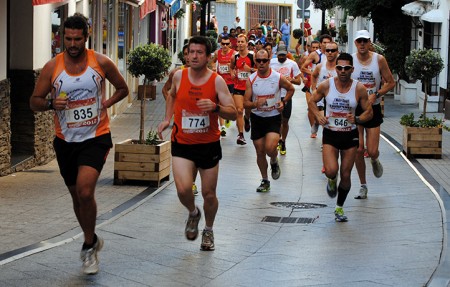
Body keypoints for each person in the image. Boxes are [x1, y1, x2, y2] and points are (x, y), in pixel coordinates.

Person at [29, 13, 129, 274]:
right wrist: (51, 104)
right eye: (68, 38)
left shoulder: (101, 62)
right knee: (77, 196)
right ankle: (93, 239)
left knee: (86, 192)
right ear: (63, 36)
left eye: (77, 39)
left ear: (86, 37)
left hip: (96, 136)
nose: (72, 44)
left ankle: (87, 246)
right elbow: (34, 101)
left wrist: (107, 103)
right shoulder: (53, 67)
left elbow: (123, 88)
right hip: (65, 141)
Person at [157, 36, 237, 251]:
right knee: (183, 190)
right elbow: (171, 96)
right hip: (182, 142)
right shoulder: (178, 76)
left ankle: (208, 230)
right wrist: (167, 118)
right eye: (191, 52)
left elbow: (234, 112)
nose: (193, 56)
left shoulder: (217, 81)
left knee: (208, 194)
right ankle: (193, 213)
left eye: (199, 52)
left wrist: (215, 107)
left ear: (209, 57)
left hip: (208, 144)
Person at [308, 53, 373, 222]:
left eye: (346, 68)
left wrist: (357, 119)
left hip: (350, 135)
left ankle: (339, 208)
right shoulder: (326, 85)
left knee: (345, 175)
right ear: (335, 68)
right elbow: (312, 101)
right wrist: (318, 115)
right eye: (339, 68)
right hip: (330, 133)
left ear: (352, 69)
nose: (342, 71)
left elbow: (369, 112)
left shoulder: (359, 88)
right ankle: (331, 179)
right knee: (331, 170)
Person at [351, 30, 395, 200]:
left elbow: (391, 82)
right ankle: (363, 185)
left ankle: (375, 160)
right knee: (359, 149)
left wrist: (376, 94)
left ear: (370, 42)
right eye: (359, 41)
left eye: (365, 41)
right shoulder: (351, 60)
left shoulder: (379, 59)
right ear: (355, 43)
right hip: (355, 108)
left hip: (373, 108)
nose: (362, 44)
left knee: (372, 150)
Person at [244, 49, 295, 192]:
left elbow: (291, 89)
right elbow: (245, 103)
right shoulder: (251, 79)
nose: (261, 63)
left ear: (269, 60)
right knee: (260, 151)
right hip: (257, 118)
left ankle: (273, 160)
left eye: (264, 60)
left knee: (270, 148)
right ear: (255, 62)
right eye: (258, 61)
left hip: (273, 117)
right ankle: (265, 180)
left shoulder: (277, 77)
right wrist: (255, 104)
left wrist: (283, 102)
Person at [270, 44, 301, 155]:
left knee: (285, 121)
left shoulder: (292, 64)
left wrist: (290, 79)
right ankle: (277, 140)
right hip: (274, 96)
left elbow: (299, 81)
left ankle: (283, 141)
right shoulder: (271, 63)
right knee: (276, 120)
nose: (281, 57)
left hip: (287, 95)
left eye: (283, 55)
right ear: (276, 54)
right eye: (279, 55)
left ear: (287, 53)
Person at [230, 34, 256, 145]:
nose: (240, 44)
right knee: (239, 110)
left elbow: (260, 69)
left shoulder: (252, 56)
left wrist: (249, 69)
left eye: (242, 42)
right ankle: (240, 135)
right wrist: (232, 73)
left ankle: (247, 118)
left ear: (246, 43)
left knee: (247, 109)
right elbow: (231, 68)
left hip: (250, 88)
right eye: (238, 42)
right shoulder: (234, 57)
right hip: (238, 87)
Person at [211, 36, 236, 137]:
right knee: (220, 103)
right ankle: (222, 127)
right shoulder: (217, 53)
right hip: (220, 82)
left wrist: (232, 70)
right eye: (223, 44)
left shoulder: (233, 54)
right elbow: (213, 61)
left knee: (229, 103)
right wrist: (213, 67)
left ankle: (228, 118)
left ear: (230, 44)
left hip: (230, 82)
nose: (225, 46)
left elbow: (237, 66)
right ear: (220, 44)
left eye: (227, 44)